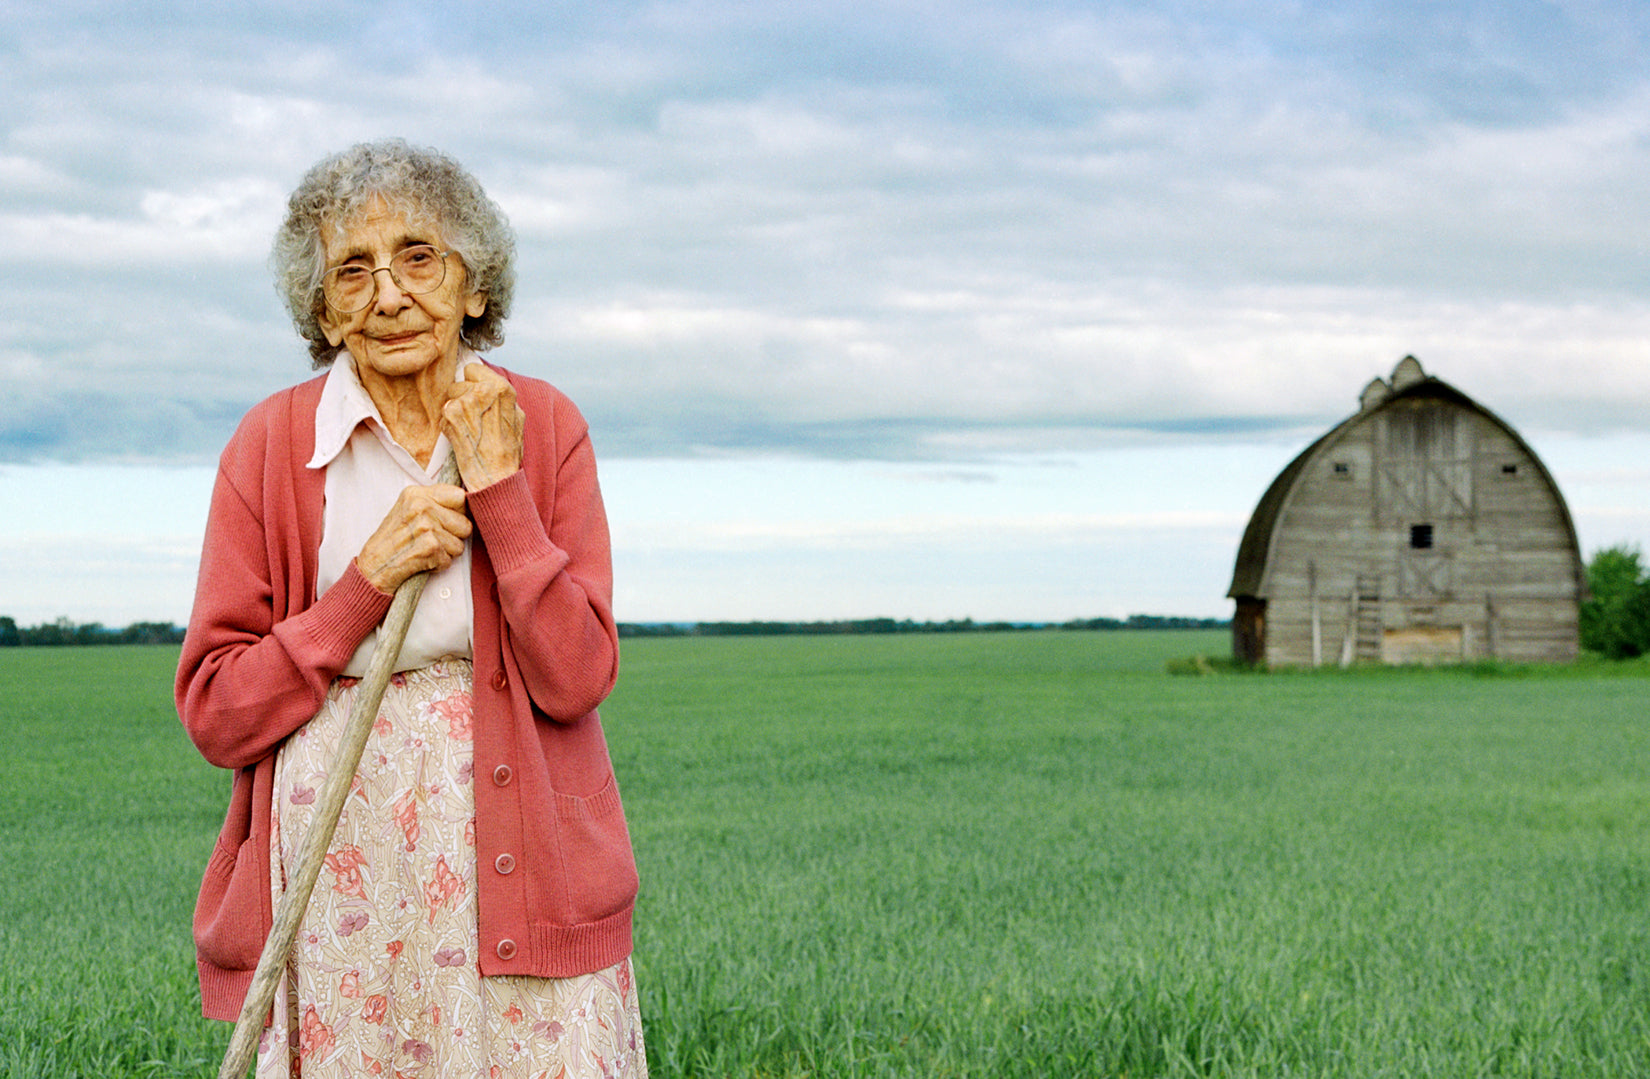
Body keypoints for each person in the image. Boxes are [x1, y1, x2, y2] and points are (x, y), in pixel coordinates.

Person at [176, 139, 646, 1077]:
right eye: (353, 270)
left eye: (419, 257)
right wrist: (363, 585)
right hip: (342, 877)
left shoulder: (543, 423)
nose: (389, 293)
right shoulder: (271, 445)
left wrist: (502, 498)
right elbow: (218, 712)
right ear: (323, 311)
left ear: (475, 286)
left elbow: (577, 674)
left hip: (524, 860)